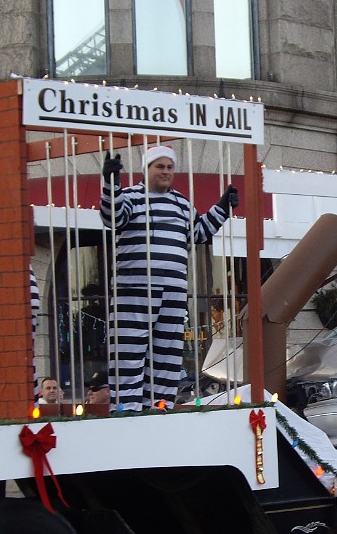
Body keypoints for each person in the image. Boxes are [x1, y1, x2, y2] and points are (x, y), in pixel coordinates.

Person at [101, 146, 238, 411]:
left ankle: (159, 408)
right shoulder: (130, 197)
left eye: (169, 167)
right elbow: (113, 216)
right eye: (159, 167)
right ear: (147, 169)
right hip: (134, 290)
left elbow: (198, 233)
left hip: (173, 293)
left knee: (166, 356)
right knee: (128, 355)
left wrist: (222, 208)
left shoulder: (181, 203)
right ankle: (126, 411)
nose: (165, 172)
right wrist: (111, 185)